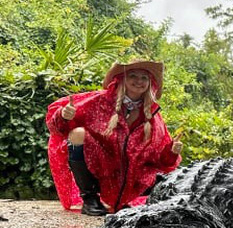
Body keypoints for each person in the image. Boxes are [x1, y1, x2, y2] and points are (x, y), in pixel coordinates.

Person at [46, 60, 182, 216]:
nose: (139, 81)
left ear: (149, 83)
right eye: (133, 76)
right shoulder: (98, 101)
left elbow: (161, 161)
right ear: (122, 79)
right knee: (77, 134)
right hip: (99, 166)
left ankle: (124, 200)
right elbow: (57, 128)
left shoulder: (153, 117)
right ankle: (90, 199)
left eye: (144, 78)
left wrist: (172, 152)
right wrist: (63, 115)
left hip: (130, 178)